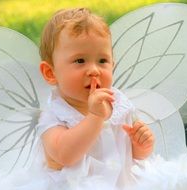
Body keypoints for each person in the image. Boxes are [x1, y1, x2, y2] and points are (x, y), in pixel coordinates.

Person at [36, 7, 155, 189]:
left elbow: (132, 154)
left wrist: (141, 145)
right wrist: (96, 117)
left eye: (102, 61)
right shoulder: (53, 116)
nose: (94, 70)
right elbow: (65, 155)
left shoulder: (118, 103)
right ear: (51, 72)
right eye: (80, 61)